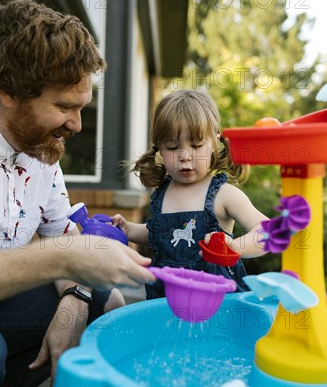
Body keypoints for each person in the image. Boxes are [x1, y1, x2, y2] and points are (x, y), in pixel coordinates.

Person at [0, 0, 155, 387]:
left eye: (83, 107)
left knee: (97, 304)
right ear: (7, 90)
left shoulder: (39, 150)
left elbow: (63, 234)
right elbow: (61, 251)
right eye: (63, 106)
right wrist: (65, 257)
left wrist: (75, 297)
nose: (76, 124)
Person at [113, 89, 269, 299]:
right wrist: (128, 229)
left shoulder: (224, 194)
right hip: (165, 301)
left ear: (214, 144)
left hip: (218, 304)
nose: (185, 156)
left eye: (196, 146)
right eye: (173, 147)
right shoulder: (162, 193)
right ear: (160, 148)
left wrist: (235, 246)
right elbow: (158, 234)